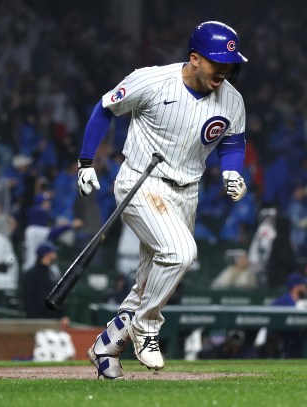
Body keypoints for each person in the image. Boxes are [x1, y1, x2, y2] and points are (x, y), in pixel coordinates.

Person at [83, 21, 249, 379]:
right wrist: (85, 161)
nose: (225, 69)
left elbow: (233, 142)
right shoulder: (152, 80)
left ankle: (106, 346)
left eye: (229, 62)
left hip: (187, 191)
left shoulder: (232, 100)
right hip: (141, 181)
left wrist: (232, 172)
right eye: (217, 61)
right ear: (194, 58)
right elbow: (104, 108)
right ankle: (146, 326)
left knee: (149, 282)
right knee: (180, 253)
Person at [22, 242, 64, 318]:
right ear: (46, 255)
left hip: (51, 317)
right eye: (53, 252)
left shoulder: (51, 272)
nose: (55, 255)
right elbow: (28, 298)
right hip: (37, 319)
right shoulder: (31, 274)